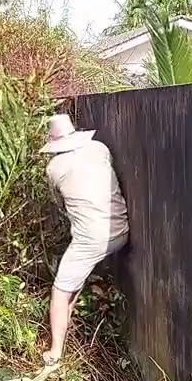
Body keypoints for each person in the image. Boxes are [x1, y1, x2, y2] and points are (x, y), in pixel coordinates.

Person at [39, 114, 130, 366]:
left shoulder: (54, 168)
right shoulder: (99, 148)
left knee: (59, 290)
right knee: (74, 277)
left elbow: (60, 203)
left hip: (93, 239)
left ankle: (55, 353)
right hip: (121, 230)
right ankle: (67, 317)